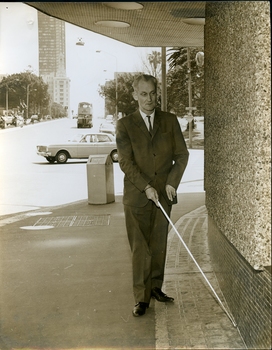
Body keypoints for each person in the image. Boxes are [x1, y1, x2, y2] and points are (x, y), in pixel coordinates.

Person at [116, 74, 189, 317]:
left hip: (164, 196)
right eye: (144, 94)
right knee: (141, 249)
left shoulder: (169, 121)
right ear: (135, 95)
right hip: (137, 197)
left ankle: (156, 288)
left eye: (153, 94)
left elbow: (182, 155)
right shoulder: (125, 124)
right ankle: (141, 298)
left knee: (158, 246)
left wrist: (172, 182)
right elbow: (125, 162)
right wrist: (146, 186)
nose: (149, 99)